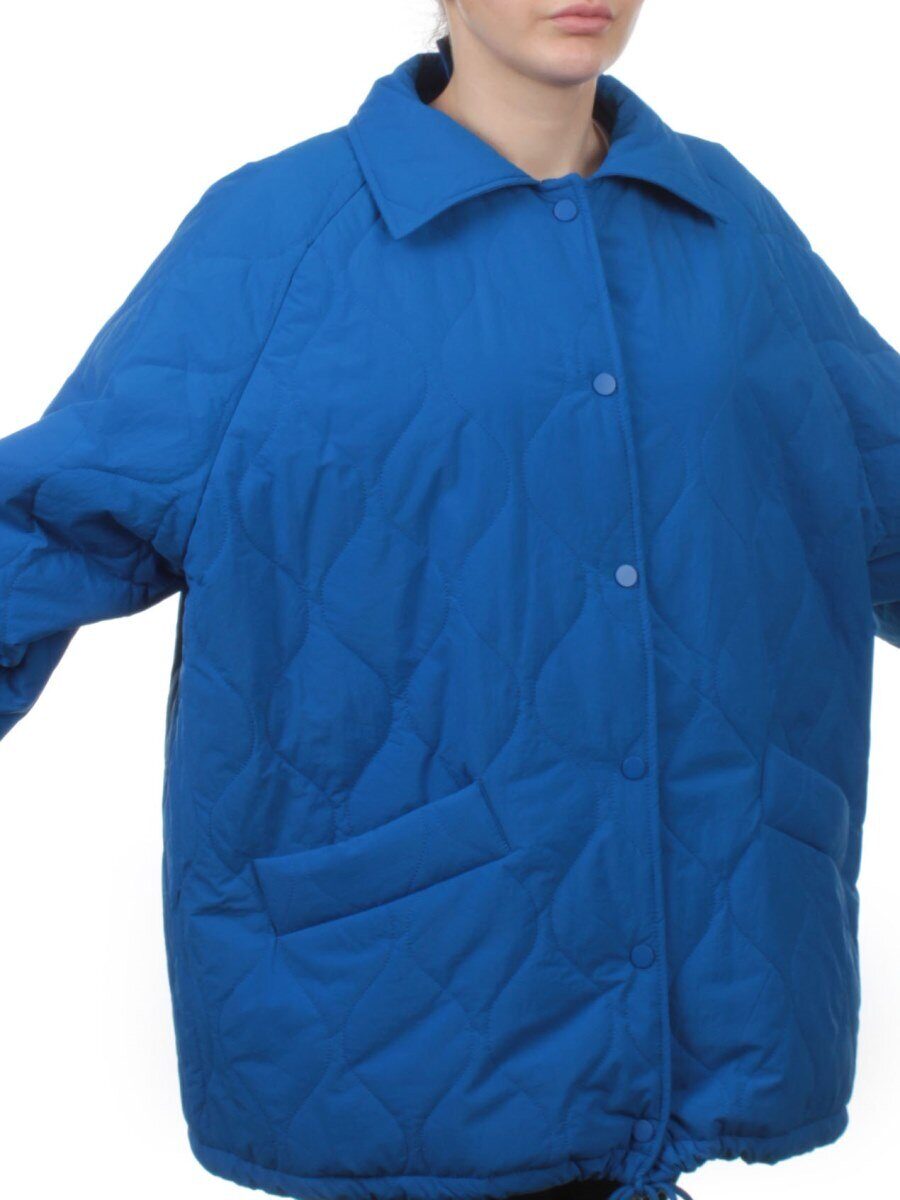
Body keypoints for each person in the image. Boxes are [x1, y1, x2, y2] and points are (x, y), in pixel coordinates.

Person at [2, 3, 898, 1199]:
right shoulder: (278, 236)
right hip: (393, 1013)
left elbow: (880, 475)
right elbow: (49, 518)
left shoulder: (729, 225)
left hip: (710, 979)